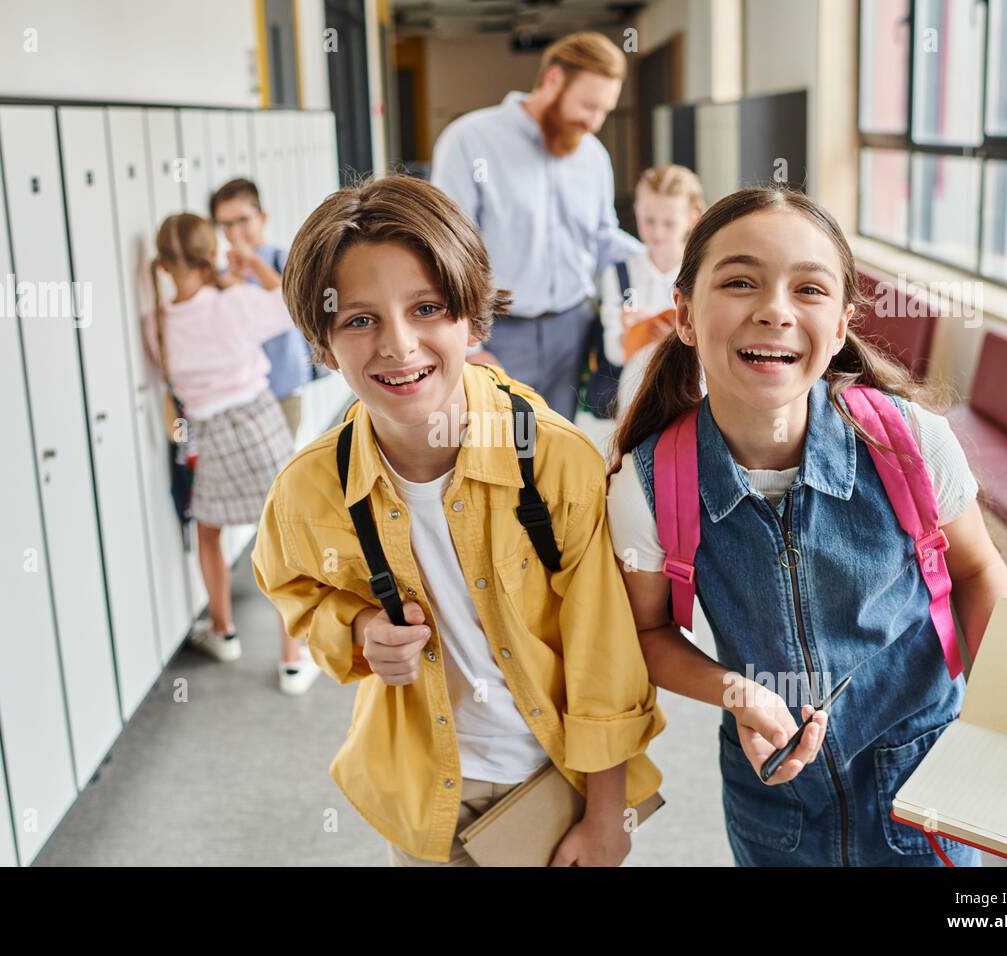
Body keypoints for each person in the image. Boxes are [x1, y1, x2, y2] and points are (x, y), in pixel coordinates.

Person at [252, 175, 664, 865]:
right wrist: (358, 629)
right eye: (359, 319)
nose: (399, 345)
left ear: (471, 317)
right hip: (426, 786)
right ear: (323, 346)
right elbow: (294, 589)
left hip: (557, 779)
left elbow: (607, 652)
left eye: (426, 308)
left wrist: (605, 813)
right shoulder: (310, 488)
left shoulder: (554, 462)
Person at [606, 186, 1007, 866]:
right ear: (682, 313)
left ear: (839, 326)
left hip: (924, 785)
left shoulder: (911, 444)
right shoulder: (649, 485)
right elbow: (646, 633)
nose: (773, 310)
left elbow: (975, 569)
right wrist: (734, 692)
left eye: (809, 290)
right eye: (740, 281)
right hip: (773, 804)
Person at [142, 213, 320, 694]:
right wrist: (252, 266)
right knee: (282, 537)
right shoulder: (235, 304)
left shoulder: (154, 324)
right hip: (258, 420)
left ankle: (223, 632)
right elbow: (290, 303)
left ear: (160, 266)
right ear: (212, 254)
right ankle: (291, 659)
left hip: (210, 433)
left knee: (208, 530)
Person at [431, 31, 642, 420]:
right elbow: (448, 254)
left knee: (557, 451)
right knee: (494, 449)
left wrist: (678, 263)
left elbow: (601, 238)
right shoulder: (470, 141)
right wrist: (470, 347)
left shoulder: (592, 155)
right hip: (498, 332)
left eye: (604, 111)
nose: (595, 123)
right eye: (588, 105)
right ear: (553, 81)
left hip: (573, 330)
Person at [210, 177, 314, 437]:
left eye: (242, 221)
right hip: (241, 398)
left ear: (262, 217)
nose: (234, 233)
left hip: (282, 390)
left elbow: (294, 305)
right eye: (226, 224)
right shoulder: (223, 274)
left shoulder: (283, 259)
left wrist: (254, 264)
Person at [599, 165, 706, 415]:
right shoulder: (619, 273)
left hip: (693, 394)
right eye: (649, 220)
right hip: (635, 396)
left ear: (692, 219)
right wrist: (630, 334)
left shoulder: (702, 272)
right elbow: (613, 353)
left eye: (669, 223)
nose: (657, 231)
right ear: (636, 210)